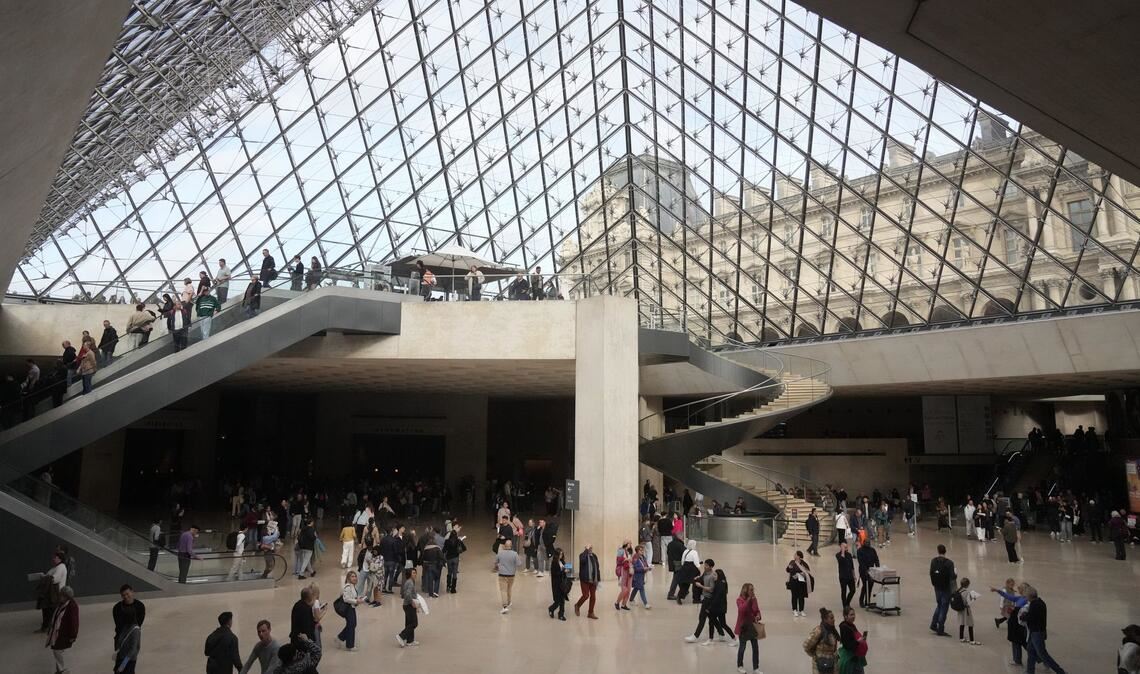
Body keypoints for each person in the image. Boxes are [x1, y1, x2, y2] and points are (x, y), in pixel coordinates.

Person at [1023, 587, 1066, 673]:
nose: (1025, 598)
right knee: (1030, 650)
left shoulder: (1035, 605)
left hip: (1037, 633)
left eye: (1026, 596)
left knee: (1043, 654)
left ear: (1030, 596)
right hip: (1036, 631)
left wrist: (1023, 616)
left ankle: (1060, 671)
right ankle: (1030, 671)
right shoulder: (1040, 602)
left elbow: (1031, 618)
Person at [990, 581, 1029, 667]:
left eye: (1020, 588)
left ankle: (1036, 658)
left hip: (1019, 625)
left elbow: (1023, 612)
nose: (1018, 589)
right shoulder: (1020, 598)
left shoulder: (1026, 600)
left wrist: (1014, 610)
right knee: (1016, 642)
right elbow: (1008, 596)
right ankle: (1017, 660)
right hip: (1014, 624)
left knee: (1022, 643)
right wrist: (997, 590)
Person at [46, 585, 78, 674]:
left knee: (57, 650)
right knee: (57, 650)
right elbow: (55, 617)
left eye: (61, 595)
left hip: (64, 634)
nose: (59, 597)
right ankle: (60, 670)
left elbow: (74, 622)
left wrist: (73, 635)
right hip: (58, 633)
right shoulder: (61, 604)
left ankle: (62, 670)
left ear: (67, 596)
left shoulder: (72, 606)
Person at [112, 584, 145, 668]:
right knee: (119, 663)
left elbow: (132, 652)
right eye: (123, 595)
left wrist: (122, 667)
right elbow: (117, 624)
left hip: (130, 637)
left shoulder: (140, 606)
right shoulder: (117, 608)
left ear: (132, 592)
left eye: (127, 594)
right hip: (120, 638)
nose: (126, 597)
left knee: (128, 666)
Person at [928, 544, 956, 637]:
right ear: (945, 551)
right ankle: (940, 628)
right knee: (944, 607)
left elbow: (931, 572)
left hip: (936, 586)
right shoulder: (949, 563)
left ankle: (933, 624)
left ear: (938, 551)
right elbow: (952, 577)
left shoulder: (933, 561)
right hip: (946, 587)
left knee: (939, 604)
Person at [734, 582, 762, 674]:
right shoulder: (739, 600)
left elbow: (757, 610)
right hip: (743, 627)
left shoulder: (754, 599)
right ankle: (740, 665)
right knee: (742, 647)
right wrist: (749, 600)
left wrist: (758, 615)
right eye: (751, 589)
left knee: (755, 648)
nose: (753, 591)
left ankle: (756, 667)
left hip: (752, 626)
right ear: (745, 590)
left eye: (753, 589)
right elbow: (742, 610)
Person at [803, 607, 840, 674]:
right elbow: (806, 645)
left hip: (832, 665)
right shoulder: (818, 631)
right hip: (820, 666)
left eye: (833, 618)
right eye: (831, 618)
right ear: (825, 620)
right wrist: (816, 655)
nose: (834, 620)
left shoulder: (832, 630)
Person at [336, 571, 364, 651]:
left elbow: (352, 597)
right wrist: (356, 601)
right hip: (348, 609)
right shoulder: (347, 587)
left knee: (352, 624)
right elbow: (346, 599)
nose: (354, 578)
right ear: (348, 578)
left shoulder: (353, 587)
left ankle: (340, 638)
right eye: (352, 576)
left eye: (355, 576)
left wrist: (358, 600)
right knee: (351, 625)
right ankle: (350, 645)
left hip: (352, 608)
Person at [838, 606, 868, 674]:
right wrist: (858, 641)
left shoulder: (851, 625)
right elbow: (847, 645)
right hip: (851, 659)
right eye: (851, 615)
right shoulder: (845, 628)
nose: (853, 616)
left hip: (855, 657)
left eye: (854, 614)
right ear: (845, 616)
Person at [494, 538, 520, 614]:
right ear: (511, 546)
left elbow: (495, 562)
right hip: (511, 575)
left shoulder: (500, 553)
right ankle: (509, 601)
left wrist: (498, 566)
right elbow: (519, 564)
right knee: (509, 588)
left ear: (504, 546)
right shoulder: (515, 554)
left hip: (502, 574)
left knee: (503, 590)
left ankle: (504, 606)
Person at [952, 577, 981, 644]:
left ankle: (961, 638)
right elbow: (968, 602)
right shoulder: (966, 592)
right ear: (967, 585)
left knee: (962, 623)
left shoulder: (958, 590)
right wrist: (974, 598)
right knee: (970, 624)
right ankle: (972, 640)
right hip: (966, 610)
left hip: (960, 610)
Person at [574, 543, 600, 619]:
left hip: (593, 580)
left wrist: (598, 578)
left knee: (593, 597)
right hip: (585, 579)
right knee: (586, 595)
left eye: (591, 548)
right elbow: (582, 561)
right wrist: (586, 551)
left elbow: (597, 567)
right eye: (589, 548)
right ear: (586, 549)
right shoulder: (582, 555)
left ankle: (590, 613)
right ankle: (577, 605)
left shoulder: (594, 556)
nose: (590, 549)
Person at [397, 568, 420, 647]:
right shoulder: (410, 583)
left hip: (406, 605)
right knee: (414, 623)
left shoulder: (409, 582)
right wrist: (412, 602)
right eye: (413, 573)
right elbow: (407, 594)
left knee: (409, 623)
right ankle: (401, 636)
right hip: (409, 605)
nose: (415, 574)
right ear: (410, 574)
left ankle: (410, 641)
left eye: (415, 573)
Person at [786, 550, 813, 617]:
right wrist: (789, 568)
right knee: (794, 596)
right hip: (793, 582)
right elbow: (787, 570)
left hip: (801, 582)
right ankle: (794, 609)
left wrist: (802, 574)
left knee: (801, 596)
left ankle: (801, 610)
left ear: (798, 556)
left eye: (795, 554)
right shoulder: (792, 562)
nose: (794, 555)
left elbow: (808, 572)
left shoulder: (804, 563)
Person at [676, 539, 702, 604]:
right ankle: (696, 599)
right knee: (696, 584)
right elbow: (696, 563)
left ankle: (679, 597)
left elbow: (682, 562)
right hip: (692, 569)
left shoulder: (685, 551)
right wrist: (700, 570)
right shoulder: (694, 552)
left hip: (685, 568)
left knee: (685, 584)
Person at [855, 539, 879, 608]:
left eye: (869, 542)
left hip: (872, 570)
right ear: (863, 543)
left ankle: (867, 601)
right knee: (865, 585)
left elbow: (876, 559)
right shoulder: (860, 551)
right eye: (866, 542)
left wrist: (877, 568)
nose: (868, 544)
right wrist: (866, 571)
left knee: (871, 585)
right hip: (863, 570)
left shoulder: (872, 550)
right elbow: (861, 562)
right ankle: (861, 600)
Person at [548, 547, 570, 620]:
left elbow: (565, 569)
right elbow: (555, 573)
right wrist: (563, 571)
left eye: (562, 554)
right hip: (557, 584)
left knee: (562, 600)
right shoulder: (554, 563)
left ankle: (561, 614)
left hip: (563, 584)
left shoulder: (562, 562)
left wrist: (568, 569)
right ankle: (551, 609)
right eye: (560, 554)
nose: (561, 555)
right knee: (557, 601)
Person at [443, 522, 466, 594]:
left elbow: (444, 550)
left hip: (449, 558)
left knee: (449, 573)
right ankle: (453, 589)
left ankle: (448, 587)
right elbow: (464, 548)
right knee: (455, 573)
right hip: (456, 558)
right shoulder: (458, 541)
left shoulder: (447, 541)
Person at [835, 541, 856, 610]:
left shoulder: (849, 555)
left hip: (850, 576)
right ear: (841, 547)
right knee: (843, 591)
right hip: (843, 576)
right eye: (844, 547)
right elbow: (841, 560)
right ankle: (845, 606)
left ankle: (847, 603)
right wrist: (843, 551)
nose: (846, 548)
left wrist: (854, 575)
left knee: (853, 590)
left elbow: (852, 566)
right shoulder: (838, 555)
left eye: (846, 547)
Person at [614, 541, 633, 611]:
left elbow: (632, 560)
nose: (631, 544)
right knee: (624, 589)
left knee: (629, 589)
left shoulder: (631, 551)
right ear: (625, 544)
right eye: (629, 543)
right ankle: (617, 602)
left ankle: (624, 604)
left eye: (631, 543)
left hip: (630, 571)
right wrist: (626, 559)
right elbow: (618, 561)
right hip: (623, 570)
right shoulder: (621, 550)